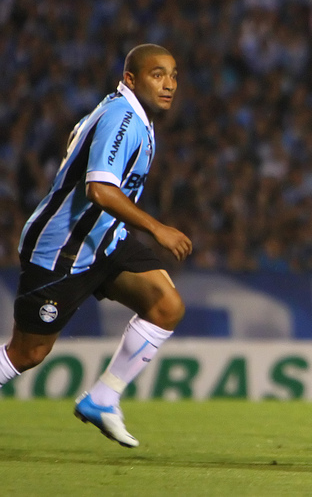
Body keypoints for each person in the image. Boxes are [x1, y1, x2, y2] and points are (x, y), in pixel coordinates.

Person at [3, 44, 192, 447]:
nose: (169, 84)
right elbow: (100, 190)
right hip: (62, 250)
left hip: (104, 241)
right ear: (130, 80)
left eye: (173, 75)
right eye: (158, 75)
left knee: (166, 307)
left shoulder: (136, 117)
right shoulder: (122, 118)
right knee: (28, 354)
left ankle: (103, 399)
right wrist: (158, 229)